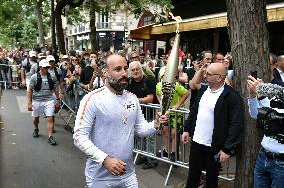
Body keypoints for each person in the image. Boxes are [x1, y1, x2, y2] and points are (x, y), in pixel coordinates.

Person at [73, 54, 169, 188]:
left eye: (125, 68)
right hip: (100, 179)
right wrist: (104, 159)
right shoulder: (92, 99)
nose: (124, 73)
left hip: (128, 175)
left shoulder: (132, 98)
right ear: (106, 73)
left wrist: (156, 123)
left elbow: (141, 129)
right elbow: (79, 137)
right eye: (118, 69)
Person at [182, 63, 244, 188]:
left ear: (219, 77)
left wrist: (227, 149)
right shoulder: (203, 90)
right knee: (192, 177)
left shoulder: (231, 96)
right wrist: (187, 129)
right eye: (206, 72)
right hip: (196, 142)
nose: (205, 75)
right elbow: (194, 111)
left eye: (208, 74)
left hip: (215, 147)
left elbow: (236, 124)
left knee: (211, 180)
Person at [247, 75, 284, 188]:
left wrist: (262, 94)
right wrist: (253, 96)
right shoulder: (278, 93)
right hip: (263, 156)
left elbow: (276, 119)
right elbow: (256, 115)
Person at [27, 59, 60, 145]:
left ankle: (50, 137)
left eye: (47, 67)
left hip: (48, 100)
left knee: (50, 117)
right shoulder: (34, 77)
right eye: (45, 67)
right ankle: (36, 129)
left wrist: (57, 99)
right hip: (37, 100)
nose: (46, 69)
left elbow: (56, 88)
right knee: (36, 119)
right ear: (40, 67)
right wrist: (29, 103)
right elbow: (29, 90)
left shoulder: (52, 76)